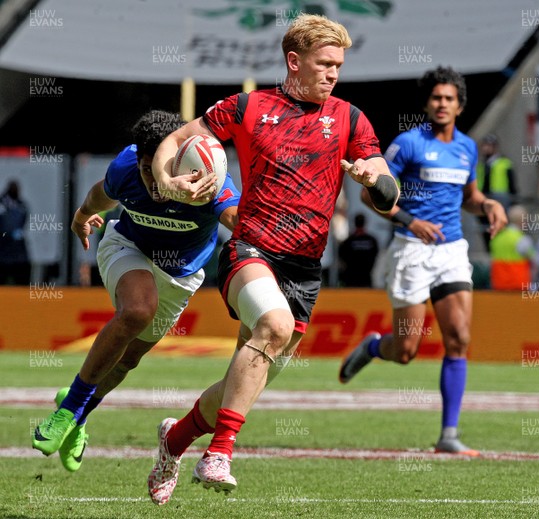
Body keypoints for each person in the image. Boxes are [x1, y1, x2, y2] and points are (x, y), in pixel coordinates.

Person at [147, 13, 399, 504]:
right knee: (275, 329)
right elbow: (176, 140)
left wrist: (374, 181)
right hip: (250, 250)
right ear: (293, 61)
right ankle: (219, 453)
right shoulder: (248, 107)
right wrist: (166, 180)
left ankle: (174, 440)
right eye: (324, 64)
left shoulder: (350, 118)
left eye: (338, 66)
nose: (333, 74)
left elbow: (386, 194)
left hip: (304, 270)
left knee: (243, 379)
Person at [31, 110, 239, 473]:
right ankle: (67, 410)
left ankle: (79, 414)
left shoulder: (205, 173)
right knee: (138, 310)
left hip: (181, 275)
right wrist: (81, 218)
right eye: (147, 169)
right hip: (128, 248)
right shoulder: (126, 167)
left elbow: (236, 217)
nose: (153, 181)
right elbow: (101, 194)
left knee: (128, 360)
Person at [339, 66, 507, 456]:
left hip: (452, 251)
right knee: (407, 351)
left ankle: (448, 435)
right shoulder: (407, 144)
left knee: (459, 339)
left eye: (449, 98)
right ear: (427, 103)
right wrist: (410, 221)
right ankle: (374, 347)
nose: (442, 104)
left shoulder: (467, 147)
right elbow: (371, 196)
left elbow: (469, 196)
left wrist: (490, 205)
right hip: (410, 251)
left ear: (460, 105)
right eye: (436, 98)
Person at [476, 133, 517, 251]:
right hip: (484, 201)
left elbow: (512, 184)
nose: (486, 148)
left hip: (500, 200)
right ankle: (489, 251)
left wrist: (513, 201)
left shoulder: (504, 163)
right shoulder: (481, 165)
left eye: (489, 146)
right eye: (484, 145)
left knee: (499, 226)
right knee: (484, 229)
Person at [489, 205, 535, 290]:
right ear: (522, 221)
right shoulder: (522, 239)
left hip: (498, 284)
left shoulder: (497, 237)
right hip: (518, 285)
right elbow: (535, 259)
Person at [0, 180, 31, 285]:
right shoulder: (2, 205)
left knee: (21, 280)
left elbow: (23, 221)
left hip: (18, 253)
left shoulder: (21, 206)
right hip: (3, 251)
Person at [339, 213, 379, 287]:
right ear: (365, 223)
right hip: (366, 277)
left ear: (354, 222)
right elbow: (375, 255)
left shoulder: (348, 241)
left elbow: (341, 257)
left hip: (351, 278)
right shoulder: (372, 240)